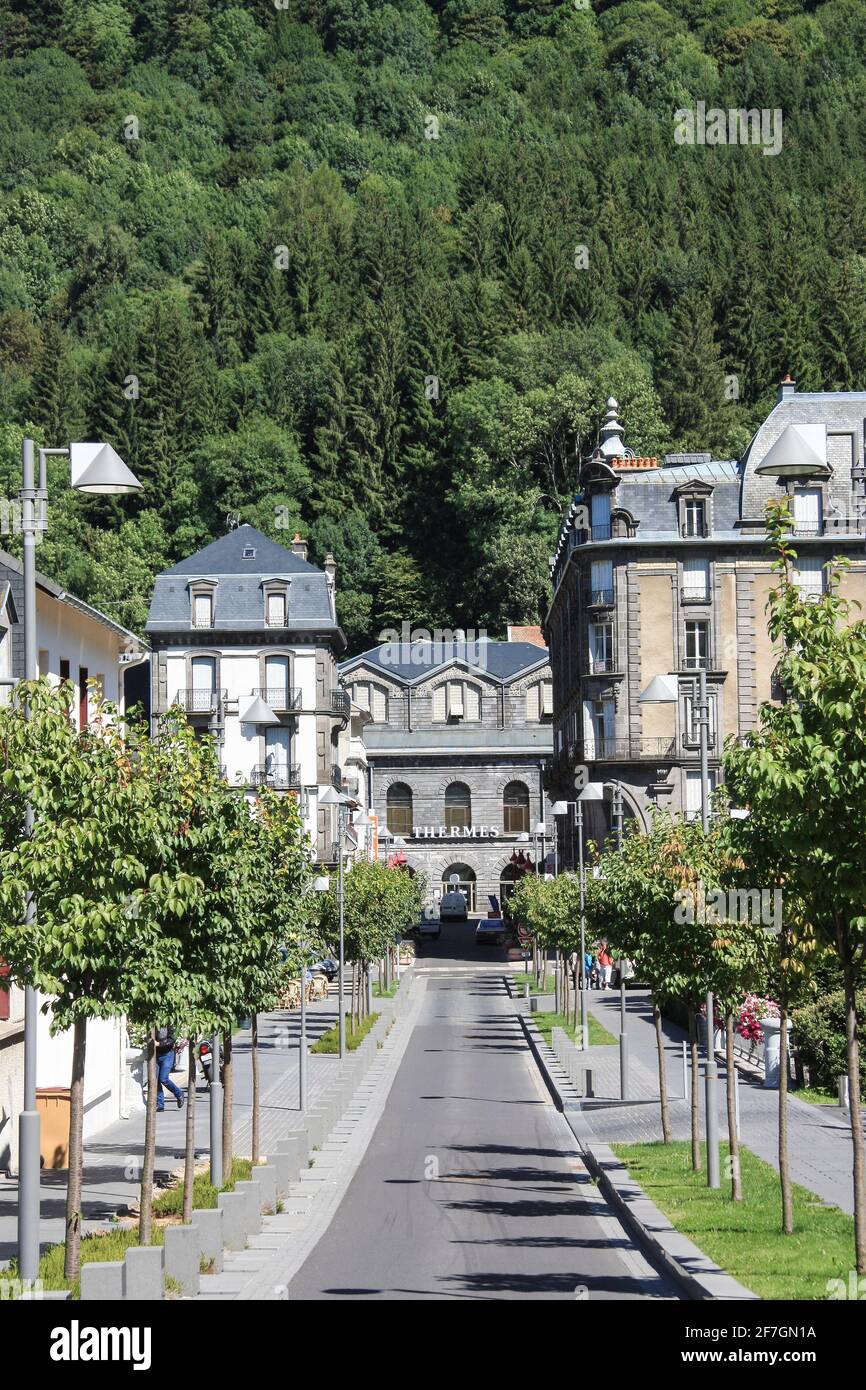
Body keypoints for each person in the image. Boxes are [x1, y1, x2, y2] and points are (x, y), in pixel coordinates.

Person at [155, 1025, 185, 1112]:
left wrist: (159, 1044)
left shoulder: (170, 1023)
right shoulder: (153, 1023)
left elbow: (172, 1040)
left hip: (167, 1054)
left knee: (163, 1079)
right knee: (156, 1080)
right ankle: (160, 1104)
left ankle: (179, 1093)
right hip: (156, 1054)